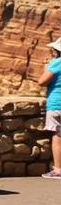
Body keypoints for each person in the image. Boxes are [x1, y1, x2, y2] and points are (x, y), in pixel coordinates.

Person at [41, 37, 61, 180]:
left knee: (58, 137)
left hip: (57, 105)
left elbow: (41, 81)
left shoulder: (56, 63)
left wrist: (47, 68)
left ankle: (58, 169)